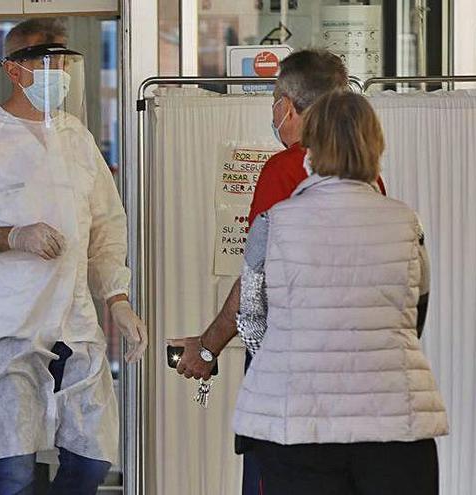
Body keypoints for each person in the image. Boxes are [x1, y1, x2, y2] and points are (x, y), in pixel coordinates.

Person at [0, 18, 148, 495]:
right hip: (6, 329)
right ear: (14, 70)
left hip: (74, 326)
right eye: (45, 61)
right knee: (13, 473)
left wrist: (118, 298)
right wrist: (10, 236)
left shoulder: (76, 138)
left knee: (91, 459)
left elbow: (106, 226)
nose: (56, 71)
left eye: (62, 60)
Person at [169, 48, 385, 494]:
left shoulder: (283, 169)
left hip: (288, 378)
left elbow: (258, 279)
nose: (274, 111)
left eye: (274, 99)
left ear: (288, 105)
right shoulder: (369, 178)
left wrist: (207, 349)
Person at [233, 91, 448, 495]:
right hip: (394, 422)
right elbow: (416, 311)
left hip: (297, 425)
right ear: (376, 145)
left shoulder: (272, 224)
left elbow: (250, 318)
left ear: (309, 147)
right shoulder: (406, 223)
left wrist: (288, 361)